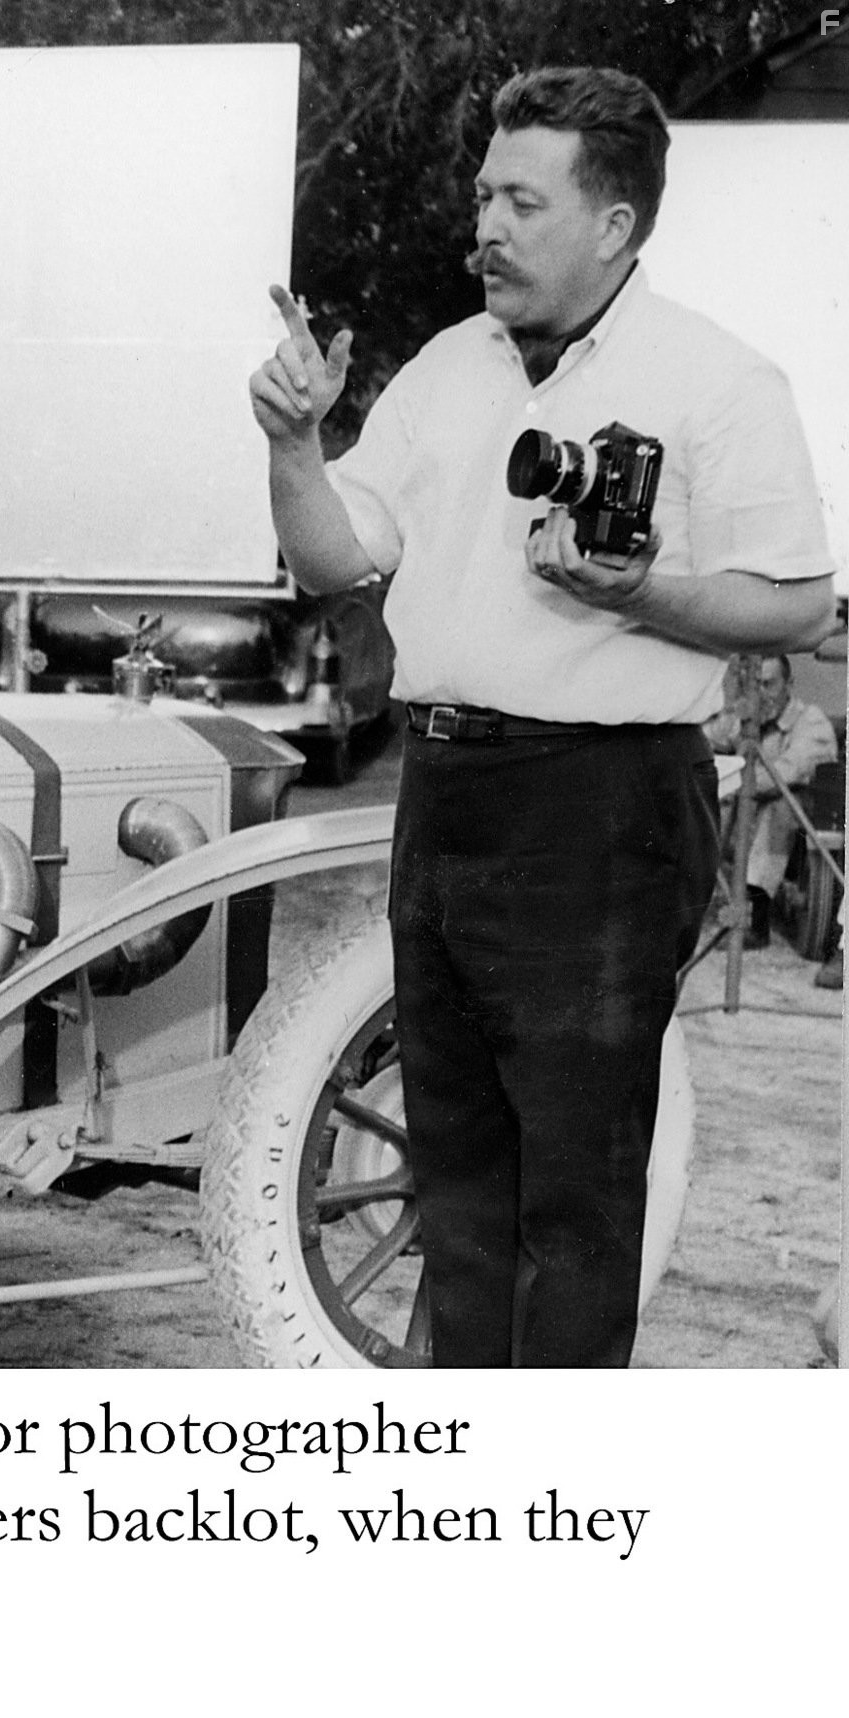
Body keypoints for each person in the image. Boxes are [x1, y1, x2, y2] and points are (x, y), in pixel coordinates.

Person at [248, 66, 834, 1367]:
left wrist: (646, 594)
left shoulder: (719, 380)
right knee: (457, 1182)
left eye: (522, 199)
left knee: (570, 1206)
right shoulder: (450, 369)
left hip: (605, 808)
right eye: (481, 196)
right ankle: (476, 1491)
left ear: (614, 223)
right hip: (445, 792)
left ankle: (555, 1511)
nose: (486, 226)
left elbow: (797, 606)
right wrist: (293, 444)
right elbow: (334, 559)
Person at [702, 654, 840, 949]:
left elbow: (786, 774)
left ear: (789, 684)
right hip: (748, 818)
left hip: (799, 834)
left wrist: (729, 780)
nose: (761, 694)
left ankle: (756, 919)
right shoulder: (749, 718)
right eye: (753, 685)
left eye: (768, 684)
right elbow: (705, 739)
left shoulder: (810, 721)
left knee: (778, 803)